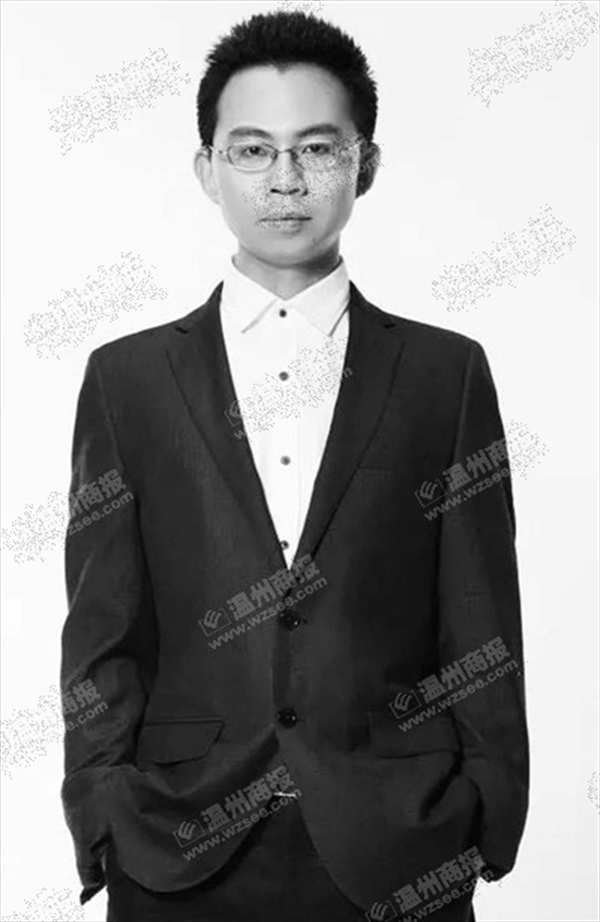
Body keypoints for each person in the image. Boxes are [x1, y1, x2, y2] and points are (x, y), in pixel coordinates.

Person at [60, 10, 529, 922]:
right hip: (175, 844)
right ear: (208, 170)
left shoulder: (445, 373)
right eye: (252, 150)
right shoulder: (127, 379)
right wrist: (101, 807)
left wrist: (483, 813)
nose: (285, 180)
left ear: (366, 164)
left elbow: (481, 613)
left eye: (317, 148)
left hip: (399, 845)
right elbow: (102, 627)